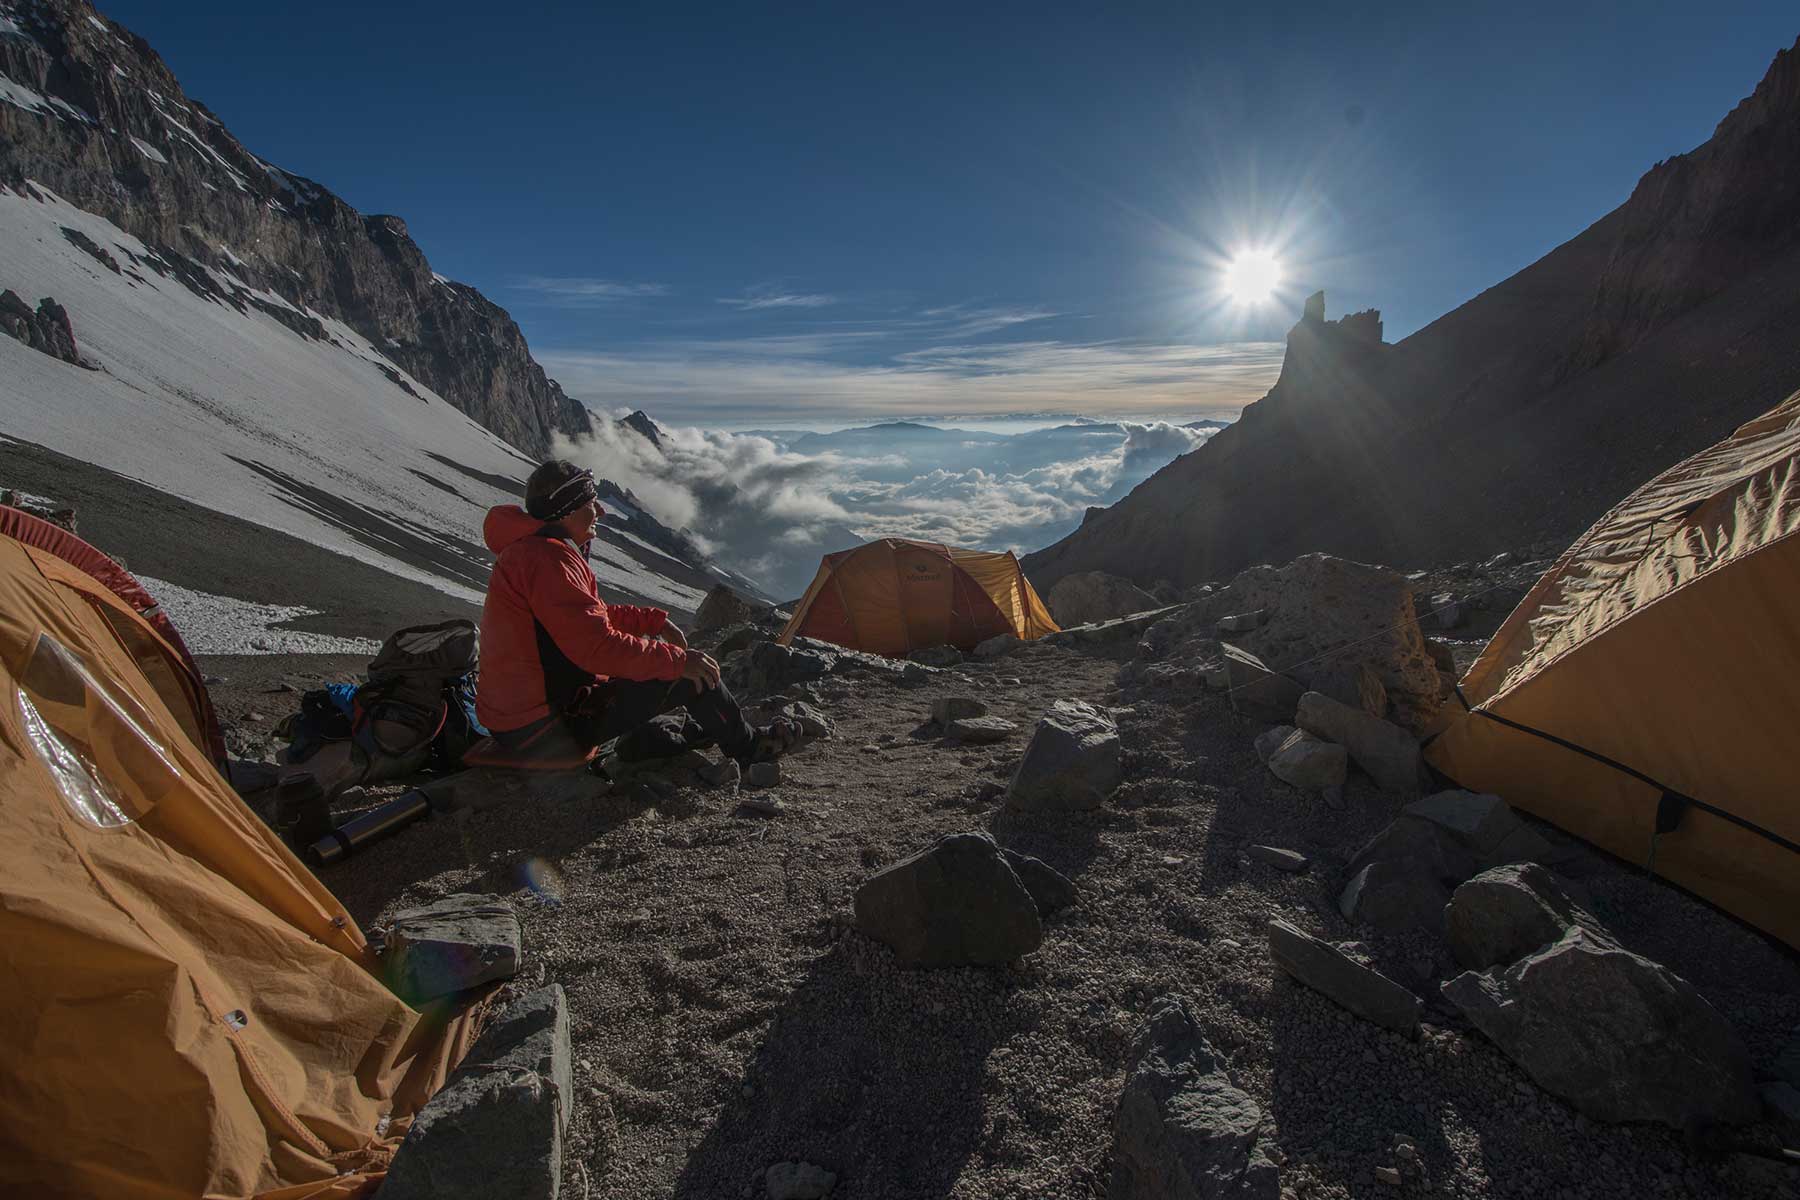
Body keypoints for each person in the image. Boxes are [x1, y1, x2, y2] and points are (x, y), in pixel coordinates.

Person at [477, 459, 794, 767]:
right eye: (591, 502)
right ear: (567, 510)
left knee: (660, 667)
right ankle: (752, 747)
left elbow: (586, 617)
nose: (599, 511)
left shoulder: (534, 552)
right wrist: (679, 661)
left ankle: (695, 732)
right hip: (542, 727)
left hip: (521, 718)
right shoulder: (547, 561)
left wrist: (650, 621)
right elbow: (596, 646)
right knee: (691, 676)